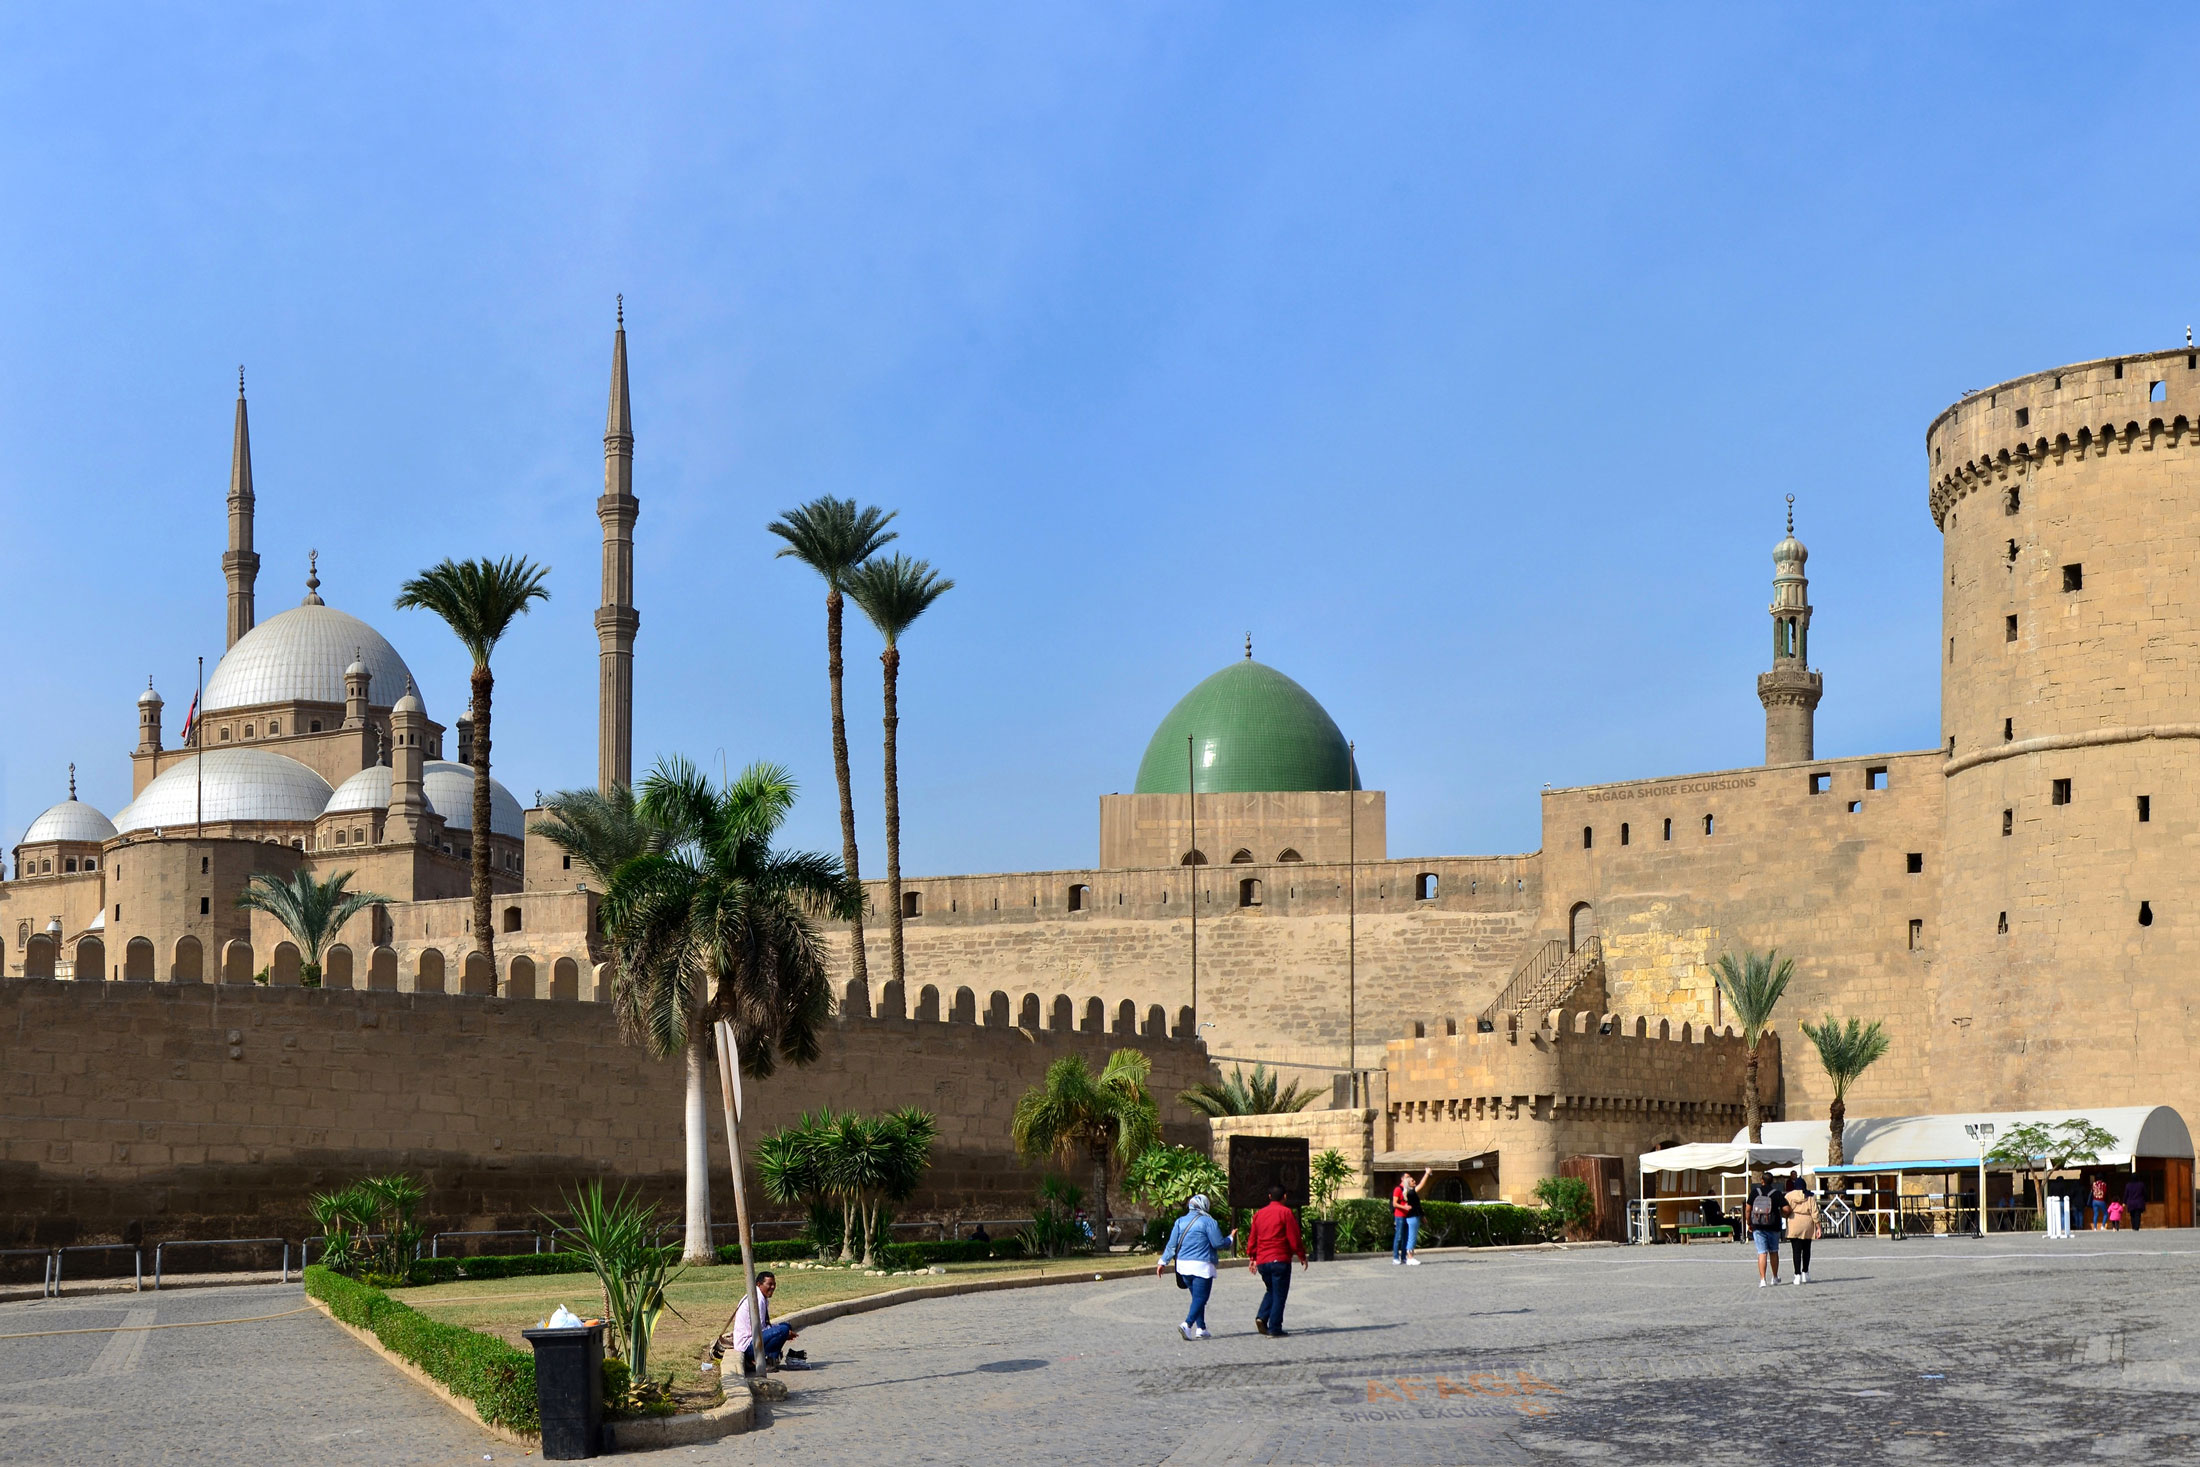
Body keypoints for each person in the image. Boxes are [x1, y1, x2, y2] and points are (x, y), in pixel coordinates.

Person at [1156, 1194, 1234, 1340]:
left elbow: (1172, 1245)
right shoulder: (1209, 1222)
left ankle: (1202, 1328)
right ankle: (1187, 1324)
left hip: (1183, 1267)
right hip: (1202, 1265)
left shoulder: (1180, 1221)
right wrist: (1230, 1238)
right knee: (1201, 1298)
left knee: (1196, 1298)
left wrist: (1162, 1262)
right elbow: (1218, 1243)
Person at [1246, 1184, 1309, 1337]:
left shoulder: (1259, 1214)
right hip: (1280, 1258)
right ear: (1285, 1196)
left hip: (1263, 1261)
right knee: (1280, 1294)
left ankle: (1262, 1316)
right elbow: (1293, 1237)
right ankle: (1274, 1328)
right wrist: (1301, 1255)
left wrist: (1252, 1257)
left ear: (1269, 1196)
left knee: (1271, 1290)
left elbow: (1253, 1238)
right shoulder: (1286, 1213)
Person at [717, 1271, 802, 1374]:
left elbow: (765, 1325)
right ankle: (766, 1361)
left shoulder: (760, 1296)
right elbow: (760, 1329)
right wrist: (784, 1333)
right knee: (783, 1330)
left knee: (786, 1326)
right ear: (759, 1284)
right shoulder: (757, 1299)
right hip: (747, 1344)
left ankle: (771, 1357)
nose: (772, 1287)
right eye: (769, 1284)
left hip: (753, 1339)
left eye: (774, 1284)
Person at [1747, 1173, 1789, 1287]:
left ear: (1762, 1181)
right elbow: (1786, 1208)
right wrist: (1780, 1214)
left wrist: (1749, 1223)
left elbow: (1748, 1209)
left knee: (1762, 1253)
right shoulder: (1776, 1193)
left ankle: (1762, 1280)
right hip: (1773, 1226)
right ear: (1772, 1181)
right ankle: (1775, 1277)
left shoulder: (1755, 1193)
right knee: (1774, 1251)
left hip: (1758, 1226)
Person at [1392, 1166, 1433, 1265]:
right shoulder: (1409, 1192)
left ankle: (1406, 1257)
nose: (1414, 1182)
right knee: (1410, 1237)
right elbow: (1421, 1185)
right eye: (1412, 1181)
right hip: (1411, 1216)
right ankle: (1407, 1257)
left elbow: (1418, 1205)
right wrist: (1427, 1174)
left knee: (1408, 1237)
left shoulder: (1409, 1192)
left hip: (1412, 1216)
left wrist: (1422, 1216)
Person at [1784, 1178, 1819, 1284]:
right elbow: (1815, 1213)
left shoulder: (1789, 1196)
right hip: (1807, 1223)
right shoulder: (1810, 1197)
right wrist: (1818, 1227)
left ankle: (1797, 1275)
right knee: (1806, 1249)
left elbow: (1784, 1209)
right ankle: (1805, 1272)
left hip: (1794, 1222)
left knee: (1796, 1251)